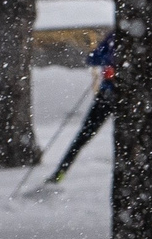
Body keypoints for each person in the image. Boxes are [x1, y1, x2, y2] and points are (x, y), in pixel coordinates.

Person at [43, 32, 119, 184]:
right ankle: (60, 174)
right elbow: (92, 59)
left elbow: (94, 58)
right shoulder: (114, 37)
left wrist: (111, 65)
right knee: (85, 134)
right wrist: (108, 65)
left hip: (120, 95)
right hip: (108, 94)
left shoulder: (116, 37)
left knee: (87, 135)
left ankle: (60, 172)